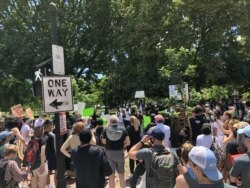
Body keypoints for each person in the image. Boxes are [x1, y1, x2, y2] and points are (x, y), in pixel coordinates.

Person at [102, 115, 130, 188]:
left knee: (111, 176)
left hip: (109, 153)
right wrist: (122, 146)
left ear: (110, 121)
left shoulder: (105, 130)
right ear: (118, 121)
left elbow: (104, 142)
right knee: (121, 175)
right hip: (120, 153)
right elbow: (128, 142)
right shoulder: (123, 129)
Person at [29, 118, 48, 188]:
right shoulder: (43, 140)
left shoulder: (32, 140)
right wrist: (42, 165)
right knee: (42, 185)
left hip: (33, 164)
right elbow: (42, 153)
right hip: (41, 164)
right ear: (42, 129)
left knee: (33, 184)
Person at [43, 119, 57, 187]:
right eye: (52, 125)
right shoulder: (52, 135)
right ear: (50, 126)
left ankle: (48, 186)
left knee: (47, 172)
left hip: (44, 156)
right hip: (52, 156)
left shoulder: (41, 134)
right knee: (57, 172)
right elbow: (55, 147)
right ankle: (56, 185)